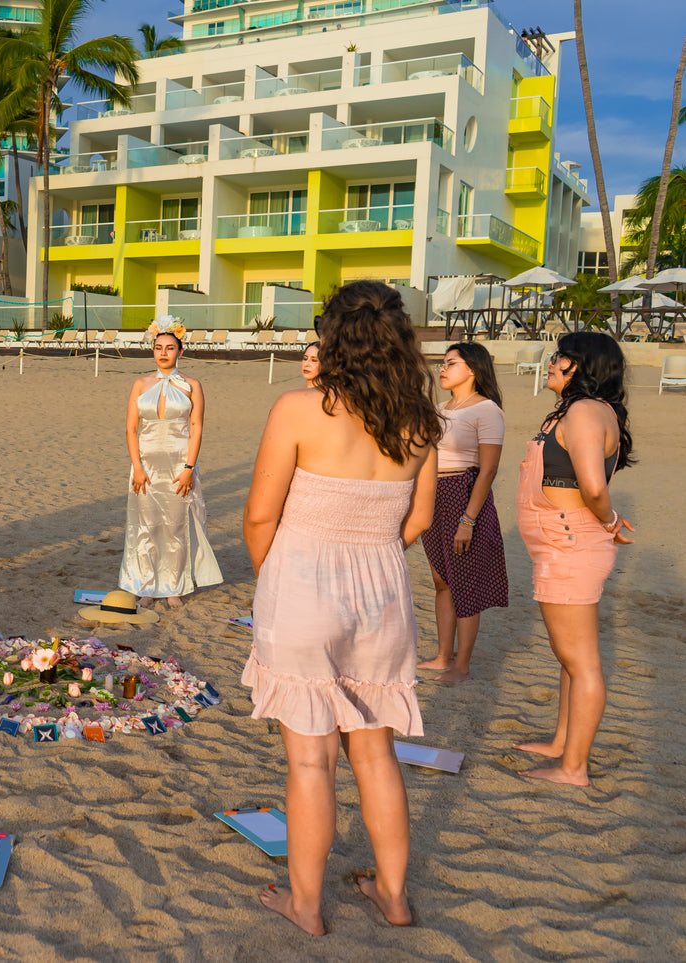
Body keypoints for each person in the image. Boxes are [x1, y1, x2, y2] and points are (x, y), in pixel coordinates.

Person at [242, 281, 440, 935]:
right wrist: (370, 551)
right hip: (381, 592)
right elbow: (419, 520)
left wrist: (273, 580)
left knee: (309, 758)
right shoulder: (417, 422)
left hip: (302, 581)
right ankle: (392, 894)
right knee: (375, 752)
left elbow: (258, 516)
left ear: (333, 338)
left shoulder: (299, 409)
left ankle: (306, 904)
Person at [512, 331, 634, 787]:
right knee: (568, 657)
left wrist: (609, 520)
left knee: (581, 661)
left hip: (569, 543)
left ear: (581, 366)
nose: (551, 361)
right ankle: (562, 743)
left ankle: (574, 767)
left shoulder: (585, 412)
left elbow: (595, 488)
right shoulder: (577, 410)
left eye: (560, 356)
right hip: (560, 542)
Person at [417, 342, 509, 684]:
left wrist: (468, 520)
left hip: (464, 493)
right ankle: (443, 655)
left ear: (471, 369)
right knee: (441, 580)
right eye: (442, 363)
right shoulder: (440, 408)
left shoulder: (487, 410)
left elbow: (487, 470)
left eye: (450, 363)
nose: (442, 368)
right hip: (434, 493)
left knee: (464, 582)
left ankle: (462, 665)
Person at [120, 315, 222, 608]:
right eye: (158, 347)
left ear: (181, 351)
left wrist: (189, 468)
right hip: (146, 465)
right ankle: (147, 585)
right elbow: (130, 428)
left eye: (169, 347)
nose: (163, 353)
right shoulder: (140, 384)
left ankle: (173, 586)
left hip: (180, 463)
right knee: (146, 526)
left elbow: (197, 427)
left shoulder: (192, 385)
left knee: (177, 527)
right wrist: (137, 467)